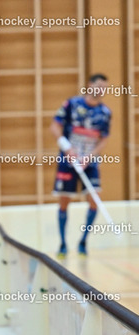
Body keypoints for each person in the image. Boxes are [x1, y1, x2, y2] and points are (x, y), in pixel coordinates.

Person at [51, 73, 111, 258]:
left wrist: (90, 157)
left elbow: (104, 139)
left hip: (89, 162)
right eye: (99, 85)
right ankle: (62, 243)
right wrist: (67, 148)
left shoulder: (105, 113)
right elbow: (54, 126)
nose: (101, 89)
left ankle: (83, 241)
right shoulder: (72, 104)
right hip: (68, 161)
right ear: (90, 85)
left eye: (105, 87)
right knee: (64, 201)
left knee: (94, 199)